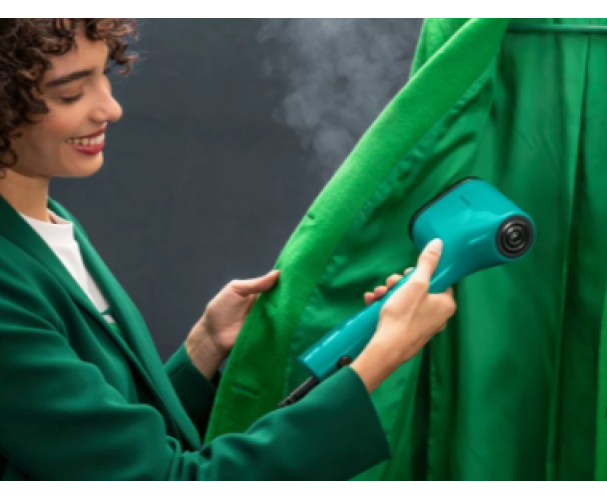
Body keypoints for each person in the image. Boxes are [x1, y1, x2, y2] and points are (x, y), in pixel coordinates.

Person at [0, 18, 457, 481]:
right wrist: (380, 360)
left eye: (104, 75)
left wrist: (204, 346)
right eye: (70, 94)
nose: (110, 108)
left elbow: (107, 444)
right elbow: (167, 480)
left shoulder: (47, 226)